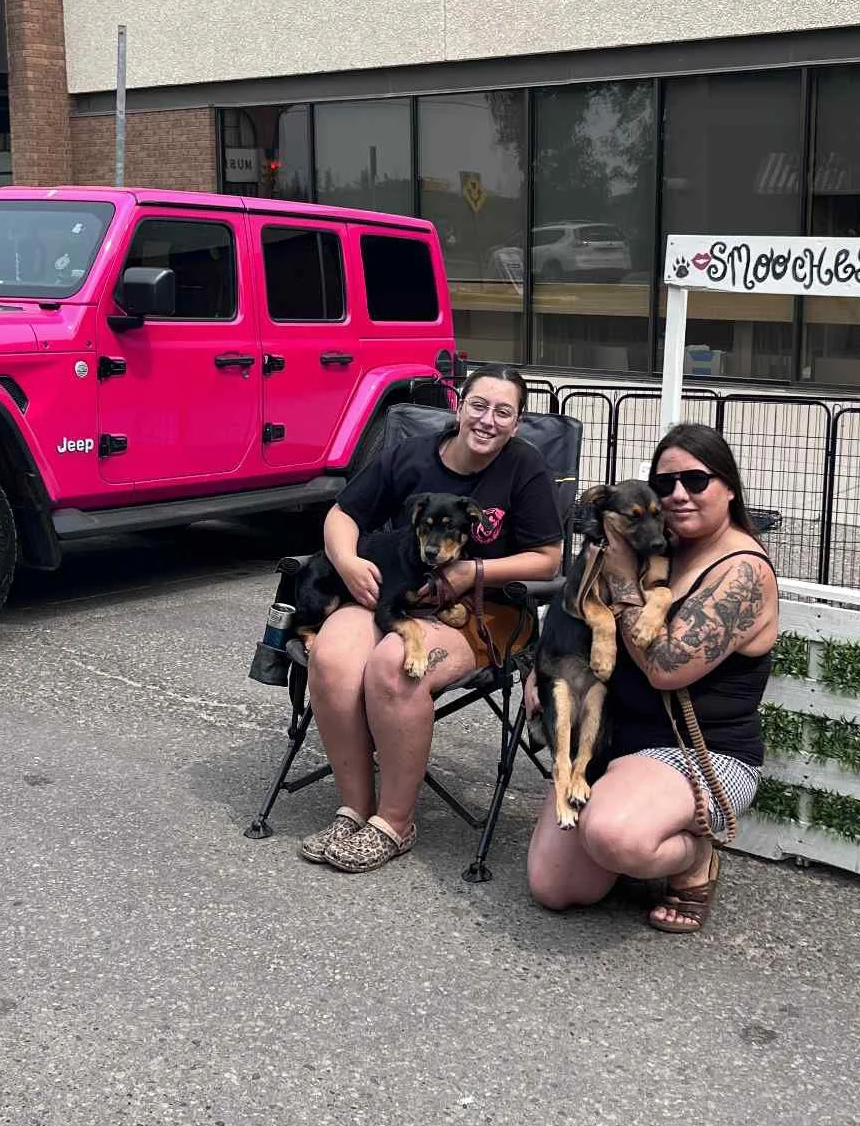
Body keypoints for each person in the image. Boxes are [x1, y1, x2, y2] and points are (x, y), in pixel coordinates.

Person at [303, 366, 564, 874]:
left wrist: (473, 570)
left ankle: (395, 823)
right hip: (397, 594)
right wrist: (348, 563)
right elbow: (342, 515)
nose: (488, 420)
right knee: (332, 659)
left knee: (395, 664)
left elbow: (548, 560)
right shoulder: (411, 454)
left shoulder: (524, 467)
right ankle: (354, 809)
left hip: (492, 609)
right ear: (459, 405)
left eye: (503, 412)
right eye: (479, 406)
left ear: (517, 421)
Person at [526, 423, 778, 934]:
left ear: (729, 486)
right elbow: (570, 613)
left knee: (616, 835)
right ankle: (629, 831)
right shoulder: (661, 546)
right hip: (617, 739)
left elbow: (666, 668)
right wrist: (541, 671)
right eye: (666, 485)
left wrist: (621, 576)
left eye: (697, 480)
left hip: (699, 751)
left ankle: (691, 859)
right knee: (554, 887)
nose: (679, 495)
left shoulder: (743, 570)